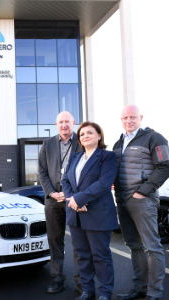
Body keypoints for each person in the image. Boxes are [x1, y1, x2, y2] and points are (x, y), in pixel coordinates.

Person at [113, 105, 169, 300]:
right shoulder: (118, 143)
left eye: (133, 117)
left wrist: (143, 191)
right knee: (134, 246)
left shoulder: (154, 138)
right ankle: (139, 289)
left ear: (140, 118)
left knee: (152, 247)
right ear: (121, 119)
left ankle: (155, 293)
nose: (129, 121)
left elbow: (165, 166)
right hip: (122, 201)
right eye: (125, 117)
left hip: (142, 200)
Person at [62, 122, 118, 300]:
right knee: (83, 255)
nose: (85, 136)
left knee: (101, 256)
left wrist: (79, 199)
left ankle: (105, 293)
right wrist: (73, 200)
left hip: (98, 214)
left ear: (99, 136)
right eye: (82, 134)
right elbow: (65, 182)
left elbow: (104, 183)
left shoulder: (108, 156)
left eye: (90, 133)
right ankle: (87, 290)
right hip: (75, 214)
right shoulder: (74, 157)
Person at [38, 111, 82, 294]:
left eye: (67, 122)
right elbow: (42, 171)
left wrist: (73, 195)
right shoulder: (47, 144)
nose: (64, 125)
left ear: (73, 123)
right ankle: (57, 278)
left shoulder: (81, 142)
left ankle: (82, 282)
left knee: (80, 242)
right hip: (53, 201)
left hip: (75, 199)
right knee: (55, 239)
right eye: (60, 122)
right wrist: (51, 193)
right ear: (56, 125)